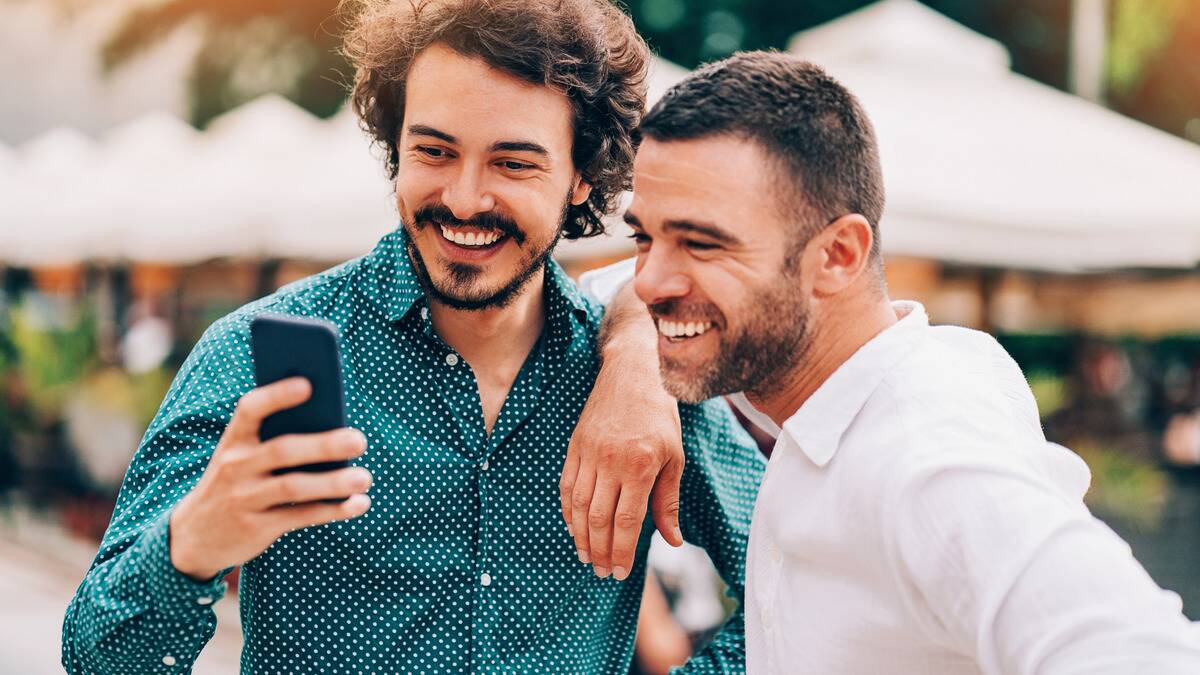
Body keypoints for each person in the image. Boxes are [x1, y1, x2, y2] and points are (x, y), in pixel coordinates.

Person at [60, 2, 764, 672]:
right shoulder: (248, 355)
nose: (463, 198)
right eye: (434, 151)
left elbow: (804, 587)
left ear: (582, 175)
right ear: (395, 148)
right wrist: (192, 544)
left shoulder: (641, 387)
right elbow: (95, 656)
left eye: (513, 163)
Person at [584, 51, 1200, 673]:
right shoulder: (897, 368)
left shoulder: (925, 459)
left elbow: (1139, 654)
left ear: (838, 255)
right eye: (645, 237)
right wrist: (631, 366)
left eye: (701, 243)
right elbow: (604, 290)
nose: (651, 279)